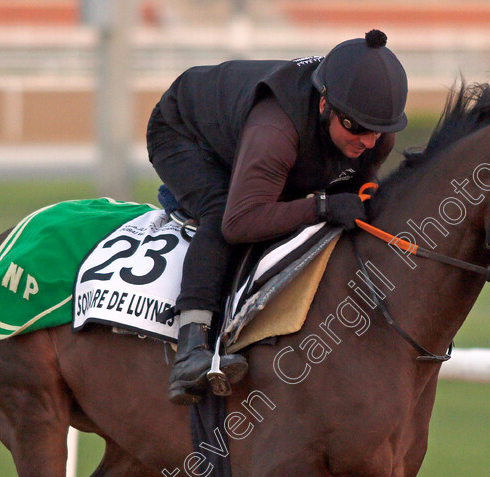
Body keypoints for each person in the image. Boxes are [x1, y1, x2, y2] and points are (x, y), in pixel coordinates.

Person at [146, 29, 409, 405]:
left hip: (249, 138)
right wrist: (321, 205)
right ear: (324, 106)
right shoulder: (275, 129)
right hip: (184, 133)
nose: (367, 142)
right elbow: (240, 222)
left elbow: (358, 193)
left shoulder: (372, 133)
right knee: (220, 209)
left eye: (379, 131)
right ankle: (191, 347)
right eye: (356, 128)